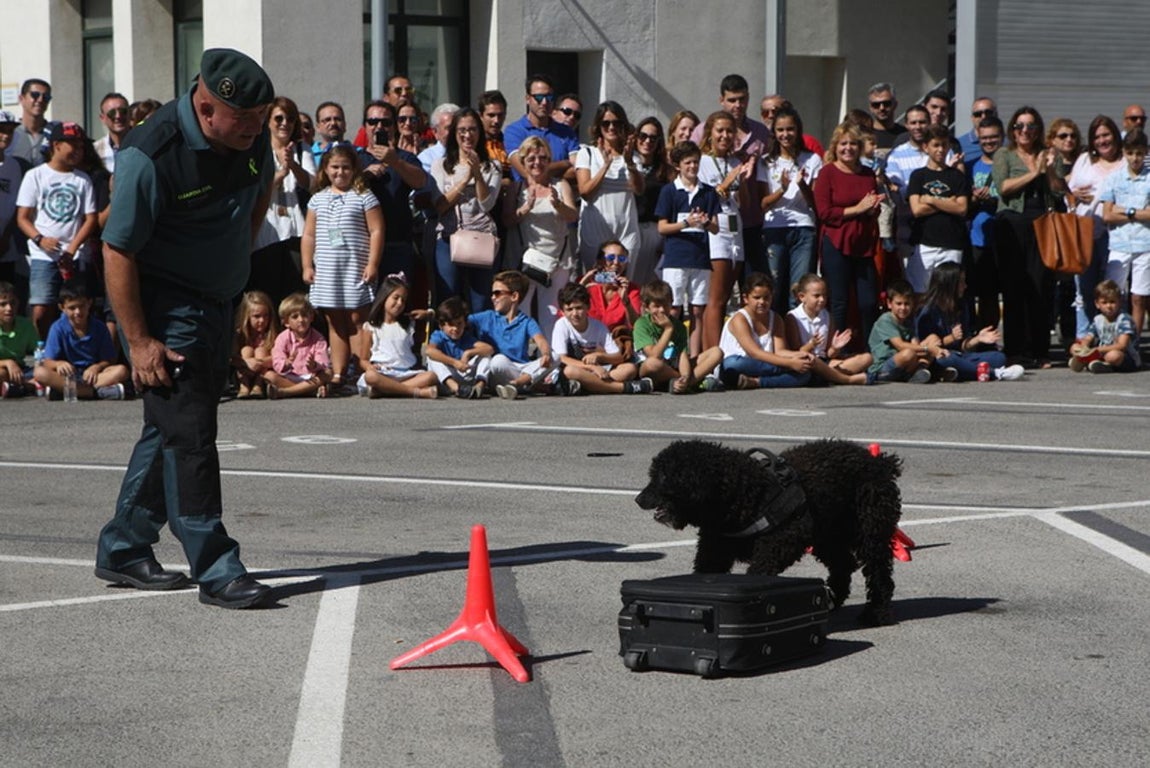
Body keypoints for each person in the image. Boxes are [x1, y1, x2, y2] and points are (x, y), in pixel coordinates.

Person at [94, 48, 277, 609]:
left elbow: (258, 196)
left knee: (170, 426)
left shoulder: (252, 138)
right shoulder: (151, 154)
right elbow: (118, 249)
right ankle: (217, 566)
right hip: (164, 304)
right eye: (242, 121)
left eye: (260, 120)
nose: (253, 131)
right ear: (204, 105)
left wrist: (228, 268)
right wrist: (142, 340)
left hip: (217, 302)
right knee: (191, 432)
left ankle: (125, 546)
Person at [302, 144, 383, 392]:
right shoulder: (317, 199)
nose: (340, 172)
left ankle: (359, 370)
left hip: (354, 267)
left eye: (346, 167)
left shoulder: (364, 196)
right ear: (325, 169)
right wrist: (307, 265)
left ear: (354, 169)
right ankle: (338, 372)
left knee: (357, 319)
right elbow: (309, 235)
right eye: (335, 167)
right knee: (334, 321)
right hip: (327, 270)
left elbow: (377, 230)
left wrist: (372, 263)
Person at [992, 106, 1064, 368]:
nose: (1025, 131)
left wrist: (1050, 170)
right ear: (1013, 129)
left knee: (1041, 286)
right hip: (1012, 224)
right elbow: (1003, 187)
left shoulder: (1049, 155)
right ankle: (1014, 350)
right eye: (1020, 126)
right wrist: (1034, 173)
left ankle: (1040, 350)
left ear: (1038, 130)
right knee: (1013, 288)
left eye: (1031, 126)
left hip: (1043, 224)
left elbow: (1058, 192)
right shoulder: (1004, 154)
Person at [15, 121, 98, 339]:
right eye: (72, 145)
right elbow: (23, 218)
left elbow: (90, 219)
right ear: (56, 145)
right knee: (42, 308)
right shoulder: (35, 176)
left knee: (76, 307)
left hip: (74, 255)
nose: (78, 151)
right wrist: (40, 239)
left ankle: (73, 347)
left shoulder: (82, 179)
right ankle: (44, 348)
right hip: (43, 254)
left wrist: (72, 248)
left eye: (81, 146)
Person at [690, 74, 772, 277]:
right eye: (732, 100)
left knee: (754, 281)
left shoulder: (760, 131)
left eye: (742, 99)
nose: (738, 105)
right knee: (716, 289)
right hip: (715, 223)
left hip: (749, 217)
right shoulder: (704, 129)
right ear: (722, 100)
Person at [814, 122, 882, 348]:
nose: (848, 148)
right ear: (836, 146)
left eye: (853, 144)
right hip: (836, 241)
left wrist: (873, 209)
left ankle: (872, 350)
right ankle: (836, 350)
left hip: (862, 244)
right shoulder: (827, 173)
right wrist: (859, 208)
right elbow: (824, 212)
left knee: (868, 301)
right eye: (844, 144)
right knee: (839, 301)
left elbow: (871, 206)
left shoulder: (868, 174)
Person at [505, 135, 578, 339]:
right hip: (525, 260)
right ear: (523, 161)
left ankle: (552, 358)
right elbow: (507, 221)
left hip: (557, 259)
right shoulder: (516, 188)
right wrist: (525, 208)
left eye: (543, 158)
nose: (537, 163)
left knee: (552, 312)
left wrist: (558, 205)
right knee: (521, 309)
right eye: (531, 159)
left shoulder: (560, 185)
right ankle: (521, 355)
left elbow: (573, 215)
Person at [432, 107, 501, 312]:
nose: (467, 135)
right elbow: (441, 205)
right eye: (462, 130)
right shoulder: (441, 165)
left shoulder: (493, 166)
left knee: (480, 301)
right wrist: (464, 181)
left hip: (481, 238)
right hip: (448, 237)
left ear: (480, 133)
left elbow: (487, 204)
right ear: (454, 134)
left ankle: (479, 343)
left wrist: (478, 174)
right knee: (449, 298)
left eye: (472, 129)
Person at [655, 140, 720, 358]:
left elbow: (716, 228)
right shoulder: (669, 191)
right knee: (673, 309)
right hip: (675, 258)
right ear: (678, 165)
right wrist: (686, 224)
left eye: (696, 162)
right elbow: (662, 227)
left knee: (697, 310)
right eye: (688, 163)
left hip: (700, 259)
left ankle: (693, 357)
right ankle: (673, 356)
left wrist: (705, 222)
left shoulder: (709, 192)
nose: (692, 167)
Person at [697, 110, 753, 350]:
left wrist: (742, 182)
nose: (725, 135)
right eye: (720, 130)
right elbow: (701, 200)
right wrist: (727, 183)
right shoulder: (700, 161)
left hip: (735, 228)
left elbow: (745, 203)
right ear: (710, 133)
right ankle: (711, 356)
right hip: (714, 230)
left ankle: (721, 348)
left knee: (729, 295)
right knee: (716, 299)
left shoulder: (734, 162)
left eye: (730, 131)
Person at [251, 96, 315, 306]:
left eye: (290, 119)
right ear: (268, 121)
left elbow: (312, 184)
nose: (284, 123)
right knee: (267, 295)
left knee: (294, 297)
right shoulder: (257, 150)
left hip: (296, 232)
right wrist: (280, 174)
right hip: (266, 233)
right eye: (279, 118)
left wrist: (293, 166)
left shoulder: (301, 149)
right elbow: (255, 190)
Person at [914, 262, 1024, 382]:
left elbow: (963, 345)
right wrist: (951, 338)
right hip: (936, 356)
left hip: (959, 355)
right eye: (961, 282)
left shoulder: (961, 306)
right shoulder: (927, 311)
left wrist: (978, 339)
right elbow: (925, 346)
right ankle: (995, 373)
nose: (965, 286)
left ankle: (957, 371)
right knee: (947, 359)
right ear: (950, 285)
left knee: (998, 357)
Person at [759, 106, 822, 313]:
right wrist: (782, 190)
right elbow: (763, 203)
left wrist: (803, 185)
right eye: (780, 130)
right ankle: (775, 336)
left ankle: (797, 337)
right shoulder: (767, 162)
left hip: (804, 228)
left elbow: (816, 203)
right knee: (774, 286)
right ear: (774, 133)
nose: (785, 135)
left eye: (790, 129)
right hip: (774, 228)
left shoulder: (812, 159)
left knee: (798, 289)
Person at [1068, 115, 1124, 339]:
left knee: (1112, 289)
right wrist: (1073, 195)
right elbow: (1068, 193)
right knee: (1084, 288)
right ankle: (1084, 338)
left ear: (1115, 136)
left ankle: (1111, 338)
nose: (1102, 140)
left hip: (1117, 233)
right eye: (1097, 136)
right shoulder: (1084, 159)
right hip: (1086, 231)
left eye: (1106, 135)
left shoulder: (1125, 161)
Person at [360, 99, 427, 281]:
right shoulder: (354, 158)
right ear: (365, 126)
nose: (379, 127)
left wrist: (395, 161)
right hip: (361, 244)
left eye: (386, 122)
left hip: (397, 242)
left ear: (394, 126)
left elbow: (420, 182)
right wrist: (362, 176)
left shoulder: (405, 157)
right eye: (373, 122)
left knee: (396, 302)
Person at [33, 280, 130, 399]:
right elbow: (47, 362)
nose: (78, 312)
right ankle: (96, 393)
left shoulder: (99, 327)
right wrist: (59, 364)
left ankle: (67, 391)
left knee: (122, 371)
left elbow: (108, 360)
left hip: (93, 376)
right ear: (62, 307)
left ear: (89, 303)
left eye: (82, 306)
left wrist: (97, 367)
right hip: (69, 375)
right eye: (72, 308)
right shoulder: (58, 328)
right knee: (39, 372)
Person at [575, 100, 643, 270]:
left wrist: (629, 163)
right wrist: (605, 166)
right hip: (596, 230)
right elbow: (585, 192)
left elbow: (639, 190)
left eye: (617, 123)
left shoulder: (632, 157)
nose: (612, 128)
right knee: (599, 282)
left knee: (622, 282)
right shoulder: (587, 153)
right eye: (606, 123)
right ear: (599, 126)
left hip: (626, 231)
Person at [551, 281, 651, 395]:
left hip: (597, 372)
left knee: (629, 369)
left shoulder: (598, 326)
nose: (575, 313)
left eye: (579, 308)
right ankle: (623, 388)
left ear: (587, 306)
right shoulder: (561, 325)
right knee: (570, 371)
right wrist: (591, 368)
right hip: (578, 370)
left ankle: (588, 386)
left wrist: (599, 356)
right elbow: (562, 359)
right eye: (569, 309)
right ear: (563, 311)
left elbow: (618, 357)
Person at [469, 269, 554, 399]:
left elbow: (541, 340)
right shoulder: (487, 317)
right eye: (492, 293)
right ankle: (529, 385)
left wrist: (546, 354)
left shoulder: (526, 321)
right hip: (500, 371)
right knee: (497, 361)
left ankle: (516, 384)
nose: (492, 297)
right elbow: (461, 320)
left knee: (555, 356)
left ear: (514, 296)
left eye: (497, 293)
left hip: (522, 367)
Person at [906, 124, 970, 293]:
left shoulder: (957, 176)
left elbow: (962, 208)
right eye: (936, 145)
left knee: (949, 294)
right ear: (926, 147)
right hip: (925, 244)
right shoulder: (918, 176)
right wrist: (948, 203)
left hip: (951, 245)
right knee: (920, 292)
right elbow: (917, 210)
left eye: (944, 145)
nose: (941, 150)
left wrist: (931, 199)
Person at [1098, 127, 1150, 334]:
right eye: (1130, 153)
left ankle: (1133, 343)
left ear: (1146, 152)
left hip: (1145, 244)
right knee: (1112, 294)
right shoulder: (1114, 178)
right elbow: (1107, 215)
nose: (1135, 158)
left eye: (1139, 153)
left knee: (1138, 296)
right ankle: (1109, 337)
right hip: (1119, 244)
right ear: (1124, 153)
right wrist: (1139, 212)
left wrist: (1125, 210)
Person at [356, 273, 439, 398]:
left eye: (403, 300)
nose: (400, 303)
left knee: (431, 376)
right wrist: (370, 367)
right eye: (396, 298)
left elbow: (442, 319)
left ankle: (386, 390)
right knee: (370, 376)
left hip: (406, 373)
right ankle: (415, 392)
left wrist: (428, 314)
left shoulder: (408, 324)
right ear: (384, 297)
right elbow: (363, 359)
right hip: (383, 372)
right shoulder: (371, 327)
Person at [633, 278, 722, 393]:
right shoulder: (642, 324)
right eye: (656, 306)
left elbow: (682, 356)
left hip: (674, 367)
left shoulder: (679, 326)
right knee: (652, 364)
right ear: (646, 307)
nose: (662, 310)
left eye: (666, 305)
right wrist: (668, 329)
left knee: (716, 352)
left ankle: (682, 383)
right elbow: (654, 355)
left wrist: (684, 375)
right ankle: (690, 382)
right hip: (653, 370)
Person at [785, 273, 872, 377]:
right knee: (813, 364)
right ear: (802, 297)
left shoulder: (827, 316)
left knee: (867, 358)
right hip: (806, 360)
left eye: (824, 295)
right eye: (816, 296)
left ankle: (829, 375)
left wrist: (835, 348)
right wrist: (811, 344)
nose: (822, 300)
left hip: (824, 362)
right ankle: (836, 376)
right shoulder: (793, 317)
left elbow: (828, 354)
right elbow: (796, 352)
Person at [504, 74, 580, 183]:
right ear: (527, 99)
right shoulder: (514, 131)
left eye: (549, 97)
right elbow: (525, 170)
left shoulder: (567, 133)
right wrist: (565, 164)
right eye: (539, 97)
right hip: (527, 197)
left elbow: (578, 170)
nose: (544, 102)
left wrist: (541, 171)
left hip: (561, 197)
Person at [967, 116, 1005, 330]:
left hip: (1004, 237)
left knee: (1002, 293)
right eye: (984, 138)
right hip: (977, 239)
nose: (989, 142)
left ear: (1002, 137)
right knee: (981, 294)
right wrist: (974, 199)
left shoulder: (1010, 164)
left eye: (993, 137)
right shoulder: (971, 166)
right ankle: (980, 338)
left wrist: (993, 199)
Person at [264, 292, 332, 399]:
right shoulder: (282, 338)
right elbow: (277, 358)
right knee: (269, 376)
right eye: (295, 317)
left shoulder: (318, 338)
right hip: (290, 376)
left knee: (327, 373)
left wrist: (314, 365)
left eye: (305, 315)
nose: (301, 320)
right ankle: (309, 391)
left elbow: (323, 361)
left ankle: (285, 392)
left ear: (311, 317)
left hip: (310, 376)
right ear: (286, 322)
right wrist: (285, 363)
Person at [425, 295, 492, 399]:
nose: (455, 328)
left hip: (464, 374)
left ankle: (479, 386)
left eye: (459, 324)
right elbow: (429, 351)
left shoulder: (466, 337)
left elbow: (489, 349)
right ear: (442, 325)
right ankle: (455, 388)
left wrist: (468, 353)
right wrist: (454, 362)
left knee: (485, 357)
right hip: (446, 378)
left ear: (465, 323)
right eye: (451, 324)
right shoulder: (439, 336)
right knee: (432, 358)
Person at [867, 280, 933, 383]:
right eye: (899, 304)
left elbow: (915, 344)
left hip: (903, 363)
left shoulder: (908, 322)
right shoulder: (885, 320)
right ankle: (914, 372)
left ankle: (918, 372)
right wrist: (927, 349)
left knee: (932, 340)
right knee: (909, 353)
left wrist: (928, 348)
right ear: (889, 304)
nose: (903, 308)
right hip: (883, 366)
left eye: (907, 304)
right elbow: (900, 345)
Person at [632, 116, 672, 285]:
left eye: (653, 138)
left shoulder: (664, 171)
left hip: (652, 230)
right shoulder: (626, 164)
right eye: (643, 136)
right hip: (628, 227)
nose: (647, 141)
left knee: (648, 282)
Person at [1069, 279, 1141, 373]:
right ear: (1097, 304)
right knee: (1074, 347)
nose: (1109, 306)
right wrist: (1084, 347)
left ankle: (1100, 364)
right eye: (1104, 302)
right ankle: (1091, 361)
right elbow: (1088, 337)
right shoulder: (1098, 319)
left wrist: (1098, 350)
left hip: (1124, 356)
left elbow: (1122, 345)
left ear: (1119, 302)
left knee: (1113, 356)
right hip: (1101, 353)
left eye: (1112, 302)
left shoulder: (1124, 319)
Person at [578, 238, 641, 332]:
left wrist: (626, 302)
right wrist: (582, 285)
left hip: (615, 341)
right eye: (611, 258)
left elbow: (637, 326)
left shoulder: (632, 289)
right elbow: (566, 312)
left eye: (621, 259)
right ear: (600, 261)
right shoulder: (586, 284)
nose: (616, 262)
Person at [231, 290, 277, 399]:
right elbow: (231, 358)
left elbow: (278, 357)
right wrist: (246, 362)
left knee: (260, 350)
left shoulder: (271, 334)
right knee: (247, 349)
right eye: (257, 316)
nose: (262, 320)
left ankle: (258, 385)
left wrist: (260, 362)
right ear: (246, 316)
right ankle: (244, 386)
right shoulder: (239, 334)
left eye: (266, 316)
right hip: (242, 372)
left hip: (263, 372)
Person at [0, 280, 39, 398]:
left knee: (44, 374)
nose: (9, 308)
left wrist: (40, 364)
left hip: (21, 370)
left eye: (13, 303)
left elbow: (39, 350)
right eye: (3, 304)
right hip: (2, 368)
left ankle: (18, 387)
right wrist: (8, 362)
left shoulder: (25, 325)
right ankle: (27, 387)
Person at [6, 79, 54, 167]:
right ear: (21, 98)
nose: (40, 100)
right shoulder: (9, 133)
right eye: (35, 95)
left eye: (46, 97)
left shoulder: (54, 133)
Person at [93, 92, 131, 173]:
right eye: (112, 113)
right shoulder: (96, 151)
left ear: (129, 113)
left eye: (123, 111)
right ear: (102, 118)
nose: (118, 116)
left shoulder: (142, 144)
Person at [865, 82, 905, 155]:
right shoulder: (863, 135)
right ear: (870, 107)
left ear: (895, 104)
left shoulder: (905, 135)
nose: (882, 108)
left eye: (886, 103)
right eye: (876, 105)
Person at [958, 97, 998, 165]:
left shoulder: (1008, 143)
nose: (983, 116)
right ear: (972, 118)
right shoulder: (959, 144)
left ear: (996, 114)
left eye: (988, 112)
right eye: (978, 114)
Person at [311, 101, 348, 167]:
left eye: (337, 119)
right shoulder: (308, 155)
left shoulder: (359, 154)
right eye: (327, 120)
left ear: (345, 125)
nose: (333, 123)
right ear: (318, 127)